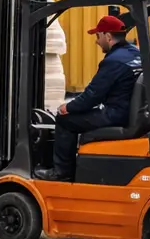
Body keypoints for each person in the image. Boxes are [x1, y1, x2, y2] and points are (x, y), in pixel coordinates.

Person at [39, 14, 142, 180]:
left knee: (65, 120)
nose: (96, 40)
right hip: (133, 111)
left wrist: (67, 107)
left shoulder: (113, 61)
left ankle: (61, 173)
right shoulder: (136, 54)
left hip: (116, 114)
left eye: (98, 36)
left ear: (108, 36)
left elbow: (92, 96)